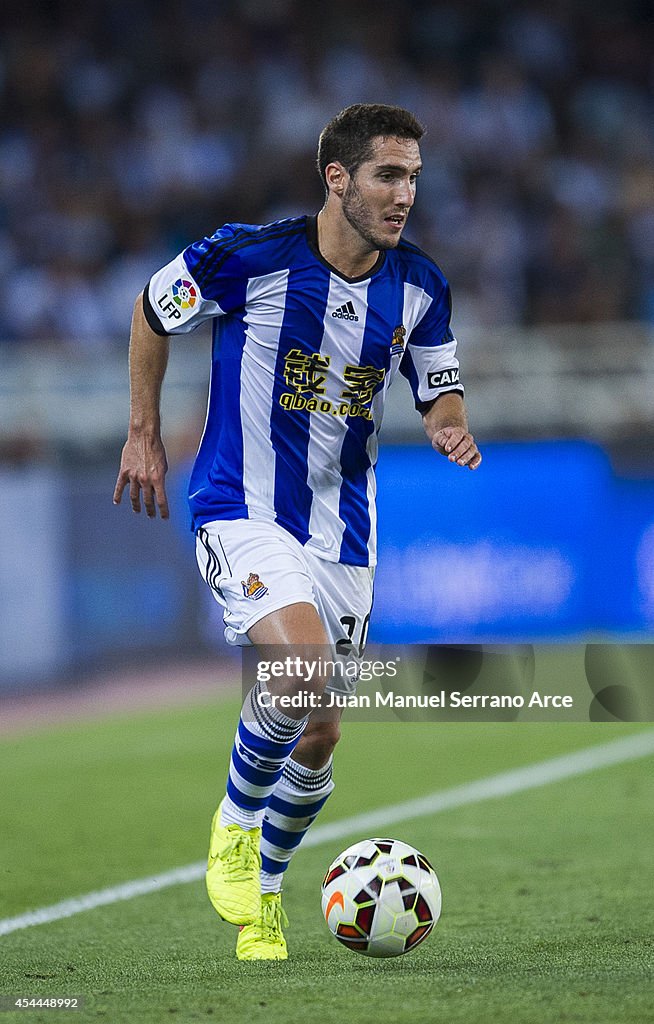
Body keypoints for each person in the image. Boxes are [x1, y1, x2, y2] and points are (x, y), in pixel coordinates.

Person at [113, 103, 482, 961]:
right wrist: (140, 431)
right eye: (389, 176)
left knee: (320, 730)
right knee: (301, 668)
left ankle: (263, 901)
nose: (405, 196)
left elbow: (442, 386)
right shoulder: (246, 257)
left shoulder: (421, 286)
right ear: (338, 179)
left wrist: (447, 423)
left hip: (344, 534)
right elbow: (149, 310)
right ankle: (236, 830)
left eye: (415, 178)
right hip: (239, 507)